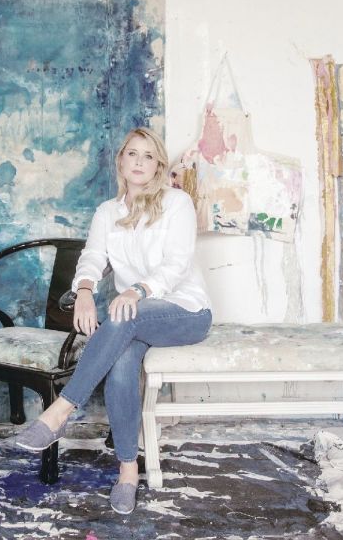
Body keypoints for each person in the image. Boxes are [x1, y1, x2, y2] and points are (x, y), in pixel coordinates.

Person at [13, 127, 212, 515]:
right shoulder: (108, 212)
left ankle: (60, 410)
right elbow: (92, 257)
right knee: (121, 365)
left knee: (124, 314)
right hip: (133, 317)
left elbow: (176, 264)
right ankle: (127, 472)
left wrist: (137, 290)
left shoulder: (177, 203)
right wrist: (85, 290)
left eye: (148, 156)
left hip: (185, 311)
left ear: (158, 165)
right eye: (132, 153)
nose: (139, 161)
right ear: (121, 161)